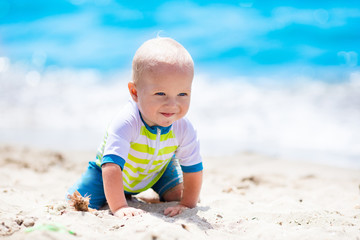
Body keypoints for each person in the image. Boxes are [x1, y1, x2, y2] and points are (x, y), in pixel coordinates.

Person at [67, 37, 203, 218]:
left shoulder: (184, 127)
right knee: (75, 201)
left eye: (182, 94)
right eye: (160, 93)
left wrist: (186, 204)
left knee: (179, 195)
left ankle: (147, 194)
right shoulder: (127, 122)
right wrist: (120, 207)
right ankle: (121, 196)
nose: (172, 104)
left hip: (157, 170)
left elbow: (193, 168)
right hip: (107, 174)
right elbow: (111, 167)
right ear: (135, 92)